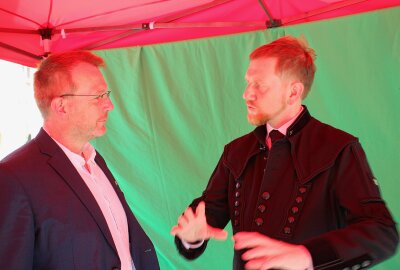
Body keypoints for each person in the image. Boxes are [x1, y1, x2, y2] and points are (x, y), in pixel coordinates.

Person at [171, 36, 399, 269]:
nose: (247, 94)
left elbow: (381, 233)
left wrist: (308, 256)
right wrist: (191, 237)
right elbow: (205, 216)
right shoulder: (236, 152)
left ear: (293, 92)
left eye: (259, 84)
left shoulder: (339, 147)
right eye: (247, 83)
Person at [0, 51, 160, 270]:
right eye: (98, 96)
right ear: (61, 107)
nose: (109, 105)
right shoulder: (13, 177)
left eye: (107, 94)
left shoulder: (95, 161)